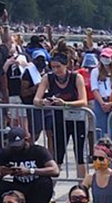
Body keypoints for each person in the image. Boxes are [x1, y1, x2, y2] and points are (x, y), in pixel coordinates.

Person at [32, 52, 89, 180]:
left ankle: (82, 186)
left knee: (79, 154)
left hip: (77, 118)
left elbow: (83, 101)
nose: (56, 70)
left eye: (58, 67)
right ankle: (51, 188)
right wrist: (43, 102)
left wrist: (66, 104)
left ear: (66, 65)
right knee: (58, 153)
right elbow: (36, 99)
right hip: (59, 119)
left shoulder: (76, 77)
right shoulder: (48, 78)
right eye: (53, 67)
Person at [0, 127, 59, 203]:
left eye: (19, 145)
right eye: (14, 146)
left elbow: (55, 170)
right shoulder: (6, 152)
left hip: (34, 187)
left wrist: (30, 171)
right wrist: (4, 172)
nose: (16, 148)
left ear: (26, 140)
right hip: (17, 187)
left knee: (46, 182)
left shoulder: (39, 151)